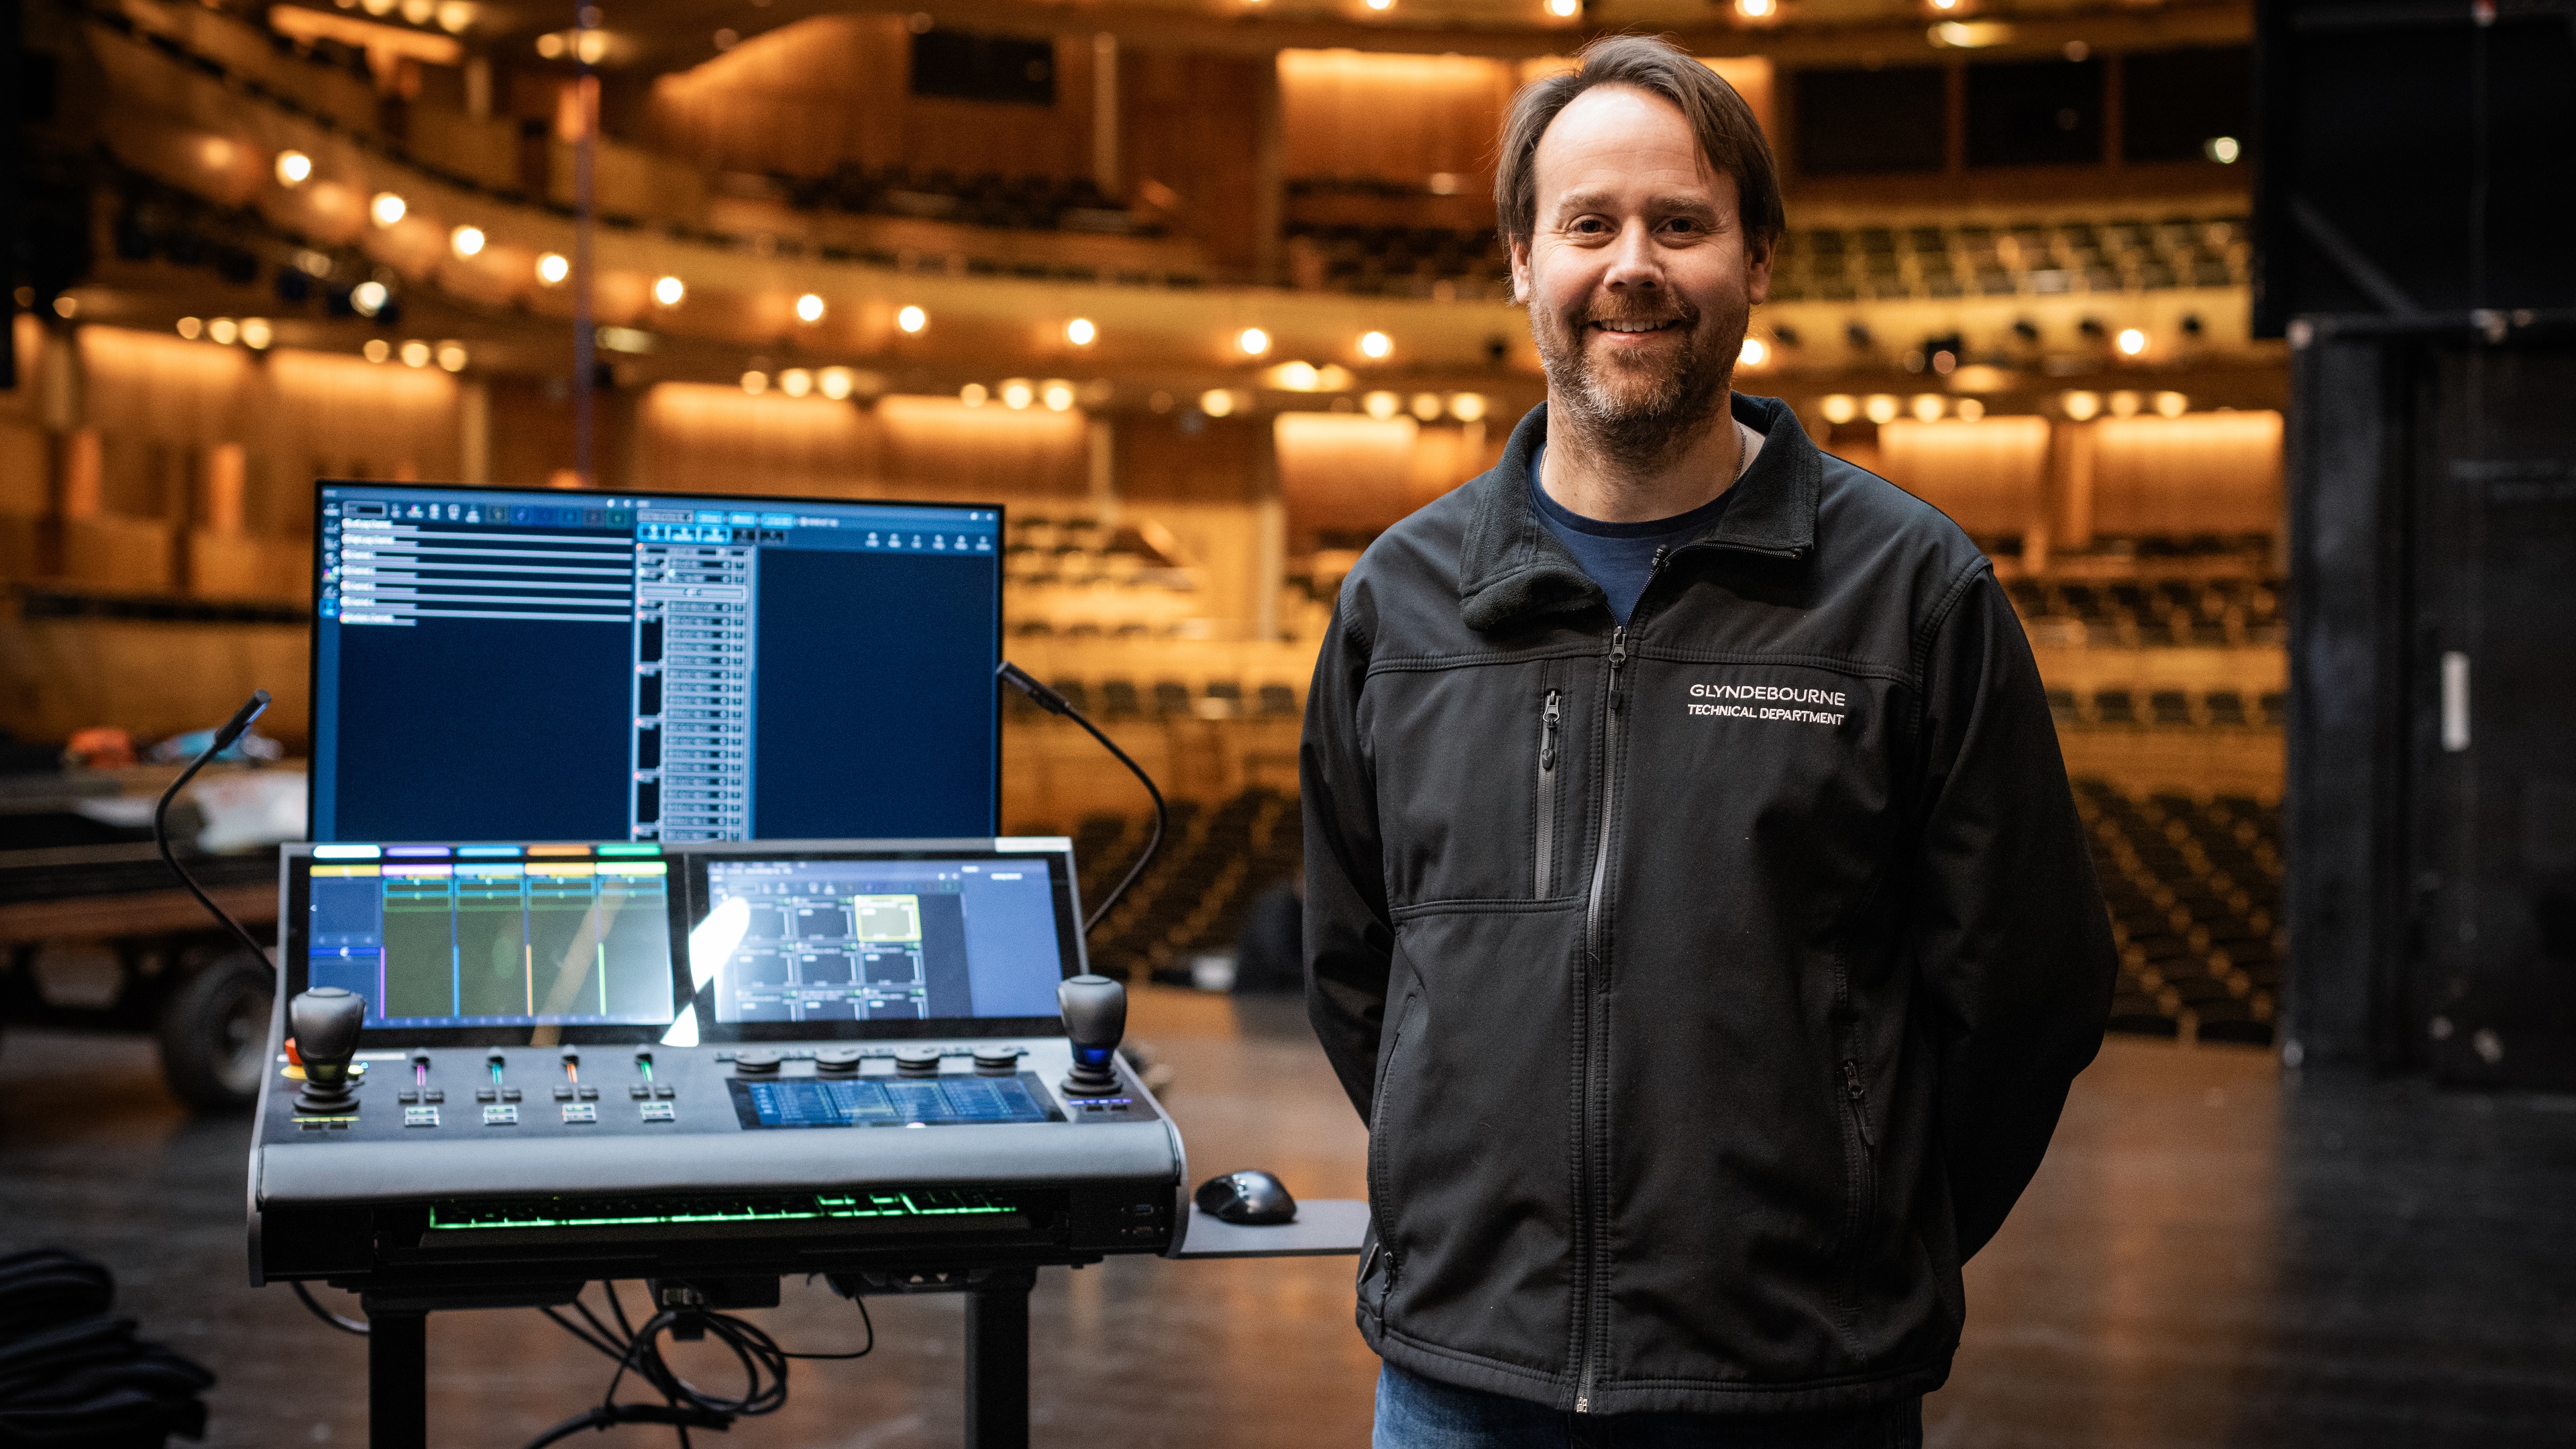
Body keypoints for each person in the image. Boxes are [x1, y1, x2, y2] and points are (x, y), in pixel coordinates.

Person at [1299, 35, 2116, 1448]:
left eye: (1682, 224)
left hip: (1799, 1384)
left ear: (1756, 263)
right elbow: (1356, 970)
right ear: (1521, 260)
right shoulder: (1400, 602)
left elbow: (2026, 990)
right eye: (1589, 224)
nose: (1634, 265)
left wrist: (1862, 1240)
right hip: (1462, 1381)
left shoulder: (1914, 590)